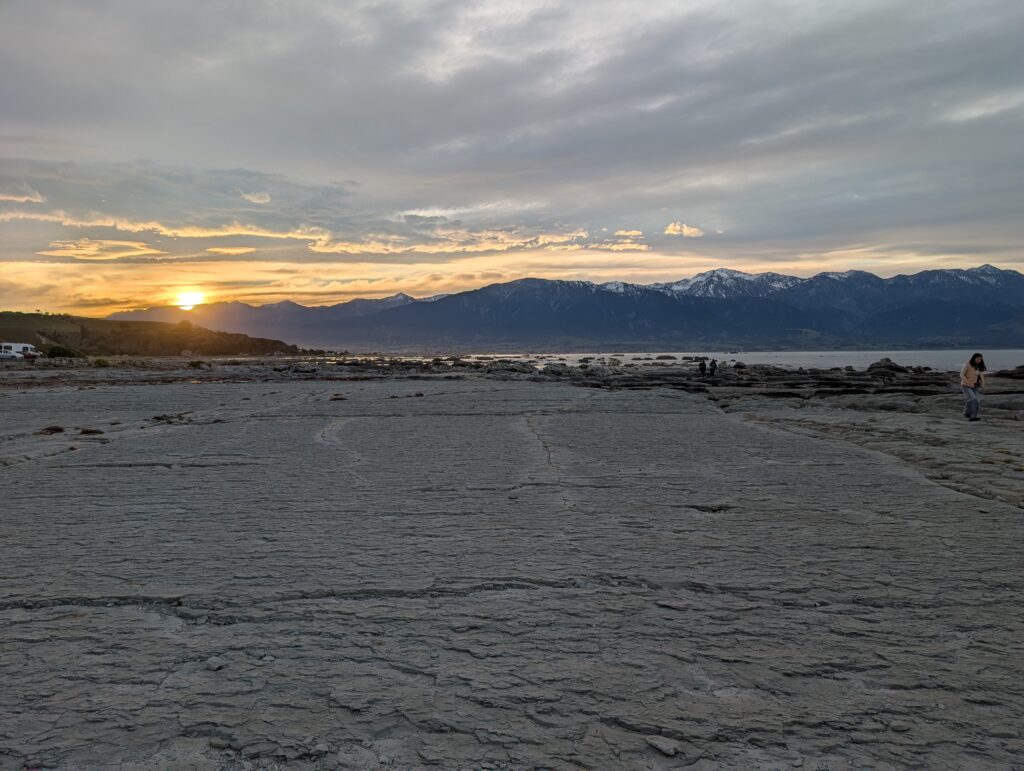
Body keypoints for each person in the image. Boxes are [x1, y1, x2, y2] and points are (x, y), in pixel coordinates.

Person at [960, 352, 986, 421]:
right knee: (973, 399)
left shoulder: (979, 366)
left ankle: (967, 413)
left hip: (975, 386)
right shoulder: (967, 364)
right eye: (978, 358)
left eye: (980, 359)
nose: (979, 360)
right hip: (966, 386)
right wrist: (967, 381)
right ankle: (973, 416)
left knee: (971, 400)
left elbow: (981, 376)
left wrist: (983, 384)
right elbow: (961, 374)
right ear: (974, 358)